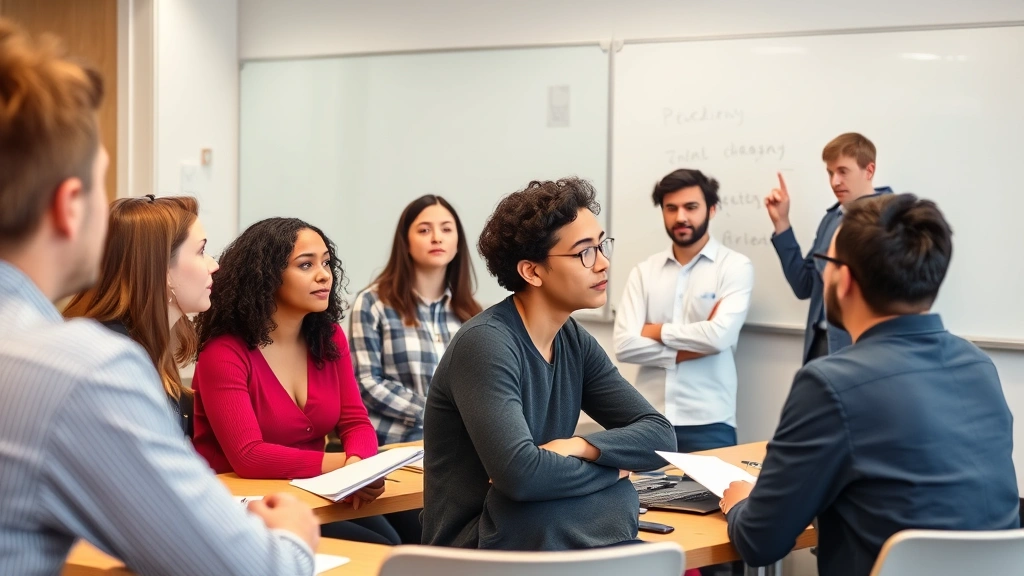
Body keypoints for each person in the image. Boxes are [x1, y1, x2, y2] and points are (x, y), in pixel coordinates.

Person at [0, 18, 318, 575]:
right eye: (101, 183)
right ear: (69, 204)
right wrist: (292, 537)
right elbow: (247, 570)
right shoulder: (78, 370)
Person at [722, 194, 1019, 576]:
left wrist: (743, 501)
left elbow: (759, 542)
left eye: (824, 263)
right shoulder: (979, 366)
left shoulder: (830, 384)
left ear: (843, 279)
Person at [421, 178, 676, 550]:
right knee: (613, 501)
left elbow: (660, 436)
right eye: (584, 252)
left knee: (619, 507)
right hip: (476, 549)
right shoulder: (485, 344)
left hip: (541, 532)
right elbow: (522, 476)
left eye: (602, 245)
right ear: (532, 271)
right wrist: (618, 470)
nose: (603, 263)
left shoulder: (572, 339)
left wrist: (579, 446)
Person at [192, 217, 400, 546]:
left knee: (399, 540)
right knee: (382, 549)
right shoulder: (224, 352)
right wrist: (345, 467)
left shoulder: (329, 337)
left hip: (314, 492)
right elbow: (249, 456)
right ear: (266, 277)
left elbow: (356, 421)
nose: (324, 275)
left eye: (327, 263)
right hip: (242, 506)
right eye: (306, 265)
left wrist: (359, 467)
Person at [614, 169, 754, 453]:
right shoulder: (644, 272)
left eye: (691, 207)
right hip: (648, 419)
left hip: (711, 421)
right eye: (671, 208)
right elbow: (625, 345)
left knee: (712, 499)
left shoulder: (735, 267)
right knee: (641, 499)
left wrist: (654, 330)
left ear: (711, 209)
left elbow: (718, 338)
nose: (680, 217)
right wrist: (691, 348)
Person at [64, 195, 218, 436]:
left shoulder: (147, 345)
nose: (213, 265)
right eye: (201, 251)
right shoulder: (114, 360)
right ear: (164, 270)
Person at [351, 194, 482, 446]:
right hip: (395, 447)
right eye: (424, 230)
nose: (437, 237)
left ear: (457, 242)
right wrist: (435, 413)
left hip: (457, 449)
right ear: (405, 242)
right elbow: (365, 382)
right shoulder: (372, 303)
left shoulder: (471, 314)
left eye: (446, 229)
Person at [765, 133, 893, 364]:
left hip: (863, 350)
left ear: (869, 170)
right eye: (830, 173)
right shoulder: (832, 219)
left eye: (843, 171)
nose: (835, 182)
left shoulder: (892, 217)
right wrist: (782, 223)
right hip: (820, 346)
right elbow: (804, 286)